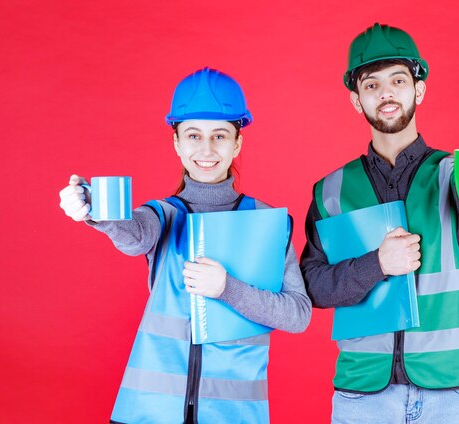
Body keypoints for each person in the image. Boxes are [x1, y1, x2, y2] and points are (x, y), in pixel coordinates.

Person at [300, 23, 459, 424]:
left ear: (418, 90)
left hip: (448, 391)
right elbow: (312, 286)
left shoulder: (452, 172)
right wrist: (378, 264)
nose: (386, 93)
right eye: (371, 85)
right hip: (363, 395)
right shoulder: (330, 190)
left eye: (398, 80)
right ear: (356, 100)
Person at [59, 67, 311, 424]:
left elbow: (298, 315)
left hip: (234, 414)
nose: (206, 149)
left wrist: (227, 289)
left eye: (220, 135)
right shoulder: (162, 215)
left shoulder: (268, 222)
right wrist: (94, 208)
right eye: (193, 135)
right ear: (176, 141)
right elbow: (132, 235)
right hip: (148, 413)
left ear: (237, 142)